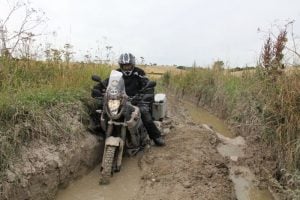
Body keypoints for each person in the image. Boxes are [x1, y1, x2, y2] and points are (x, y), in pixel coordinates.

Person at [93, 53, 165, 146]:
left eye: (129, 65)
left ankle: (156, 136)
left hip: (137, 100)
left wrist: (146, 96)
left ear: (133, 64)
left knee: (144, 112)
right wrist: (97, 90)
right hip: (119, 100)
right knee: (102, 109)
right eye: (124, 66)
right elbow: (105, 83)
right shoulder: (116, 74)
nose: (127, 68)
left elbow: (148, 86)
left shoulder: (139, 73)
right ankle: (100, 131)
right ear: (121, 65)